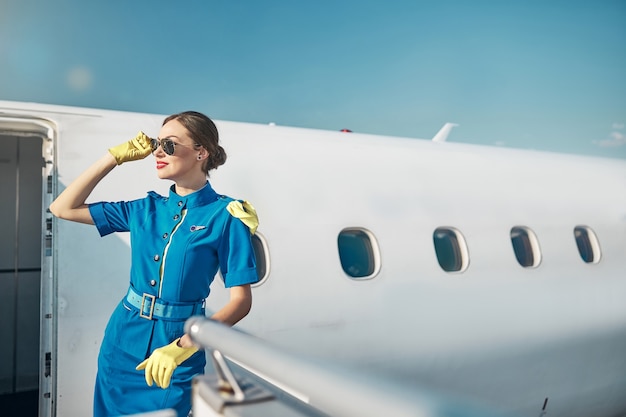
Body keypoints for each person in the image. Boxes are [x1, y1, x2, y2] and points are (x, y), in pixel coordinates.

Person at [49, 111, 259, 417]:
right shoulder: (144, 208)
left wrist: (185, 346)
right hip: (121, 344)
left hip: (177, 350)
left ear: (202, 152)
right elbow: (62, 207)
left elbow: (241, 301)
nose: (158, 152)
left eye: (170, 145)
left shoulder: (228, 215)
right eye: (157, 144)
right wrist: (113, 158)